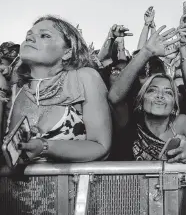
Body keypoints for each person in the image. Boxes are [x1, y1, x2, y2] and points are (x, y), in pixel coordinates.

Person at [0, 15, 112, 163]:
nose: (30, 39)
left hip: (68, 186)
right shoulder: (13, 90)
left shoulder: (83, 79)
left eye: (44, 35)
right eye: (29, 35)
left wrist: (45, 146)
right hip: (14, 186)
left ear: (67, 52)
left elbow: (101, 147)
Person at [108, 17, 186, 162]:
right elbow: (114, 97)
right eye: (152, 90)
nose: (160, 95)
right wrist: (146, 51)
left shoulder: (182, 122)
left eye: (168, 92)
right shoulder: (129, 122)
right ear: (141, 100)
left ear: (175, 105)